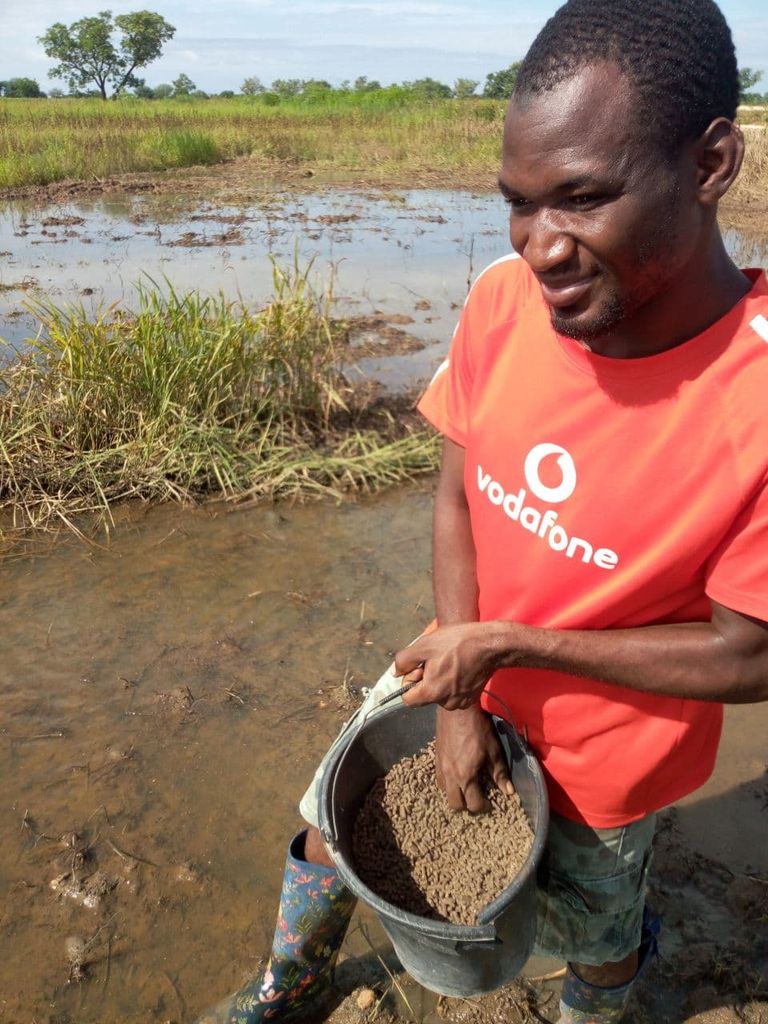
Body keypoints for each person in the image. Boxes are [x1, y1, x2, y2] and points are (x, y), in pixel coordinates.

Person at [196, 1, 768, 1022]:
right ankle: (292, 983)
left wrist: (508, 646)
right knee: (336, 823)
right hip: (461, 667)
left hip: (611, 752)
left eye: (584, 198)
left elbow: (750, 654)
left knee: (596, 930)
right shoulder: (508, 301)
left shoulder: (755, 395)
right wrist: (463, 692)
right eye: (519, 202)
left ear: (712, 164)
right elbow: (460, 490)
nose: (541, 246)